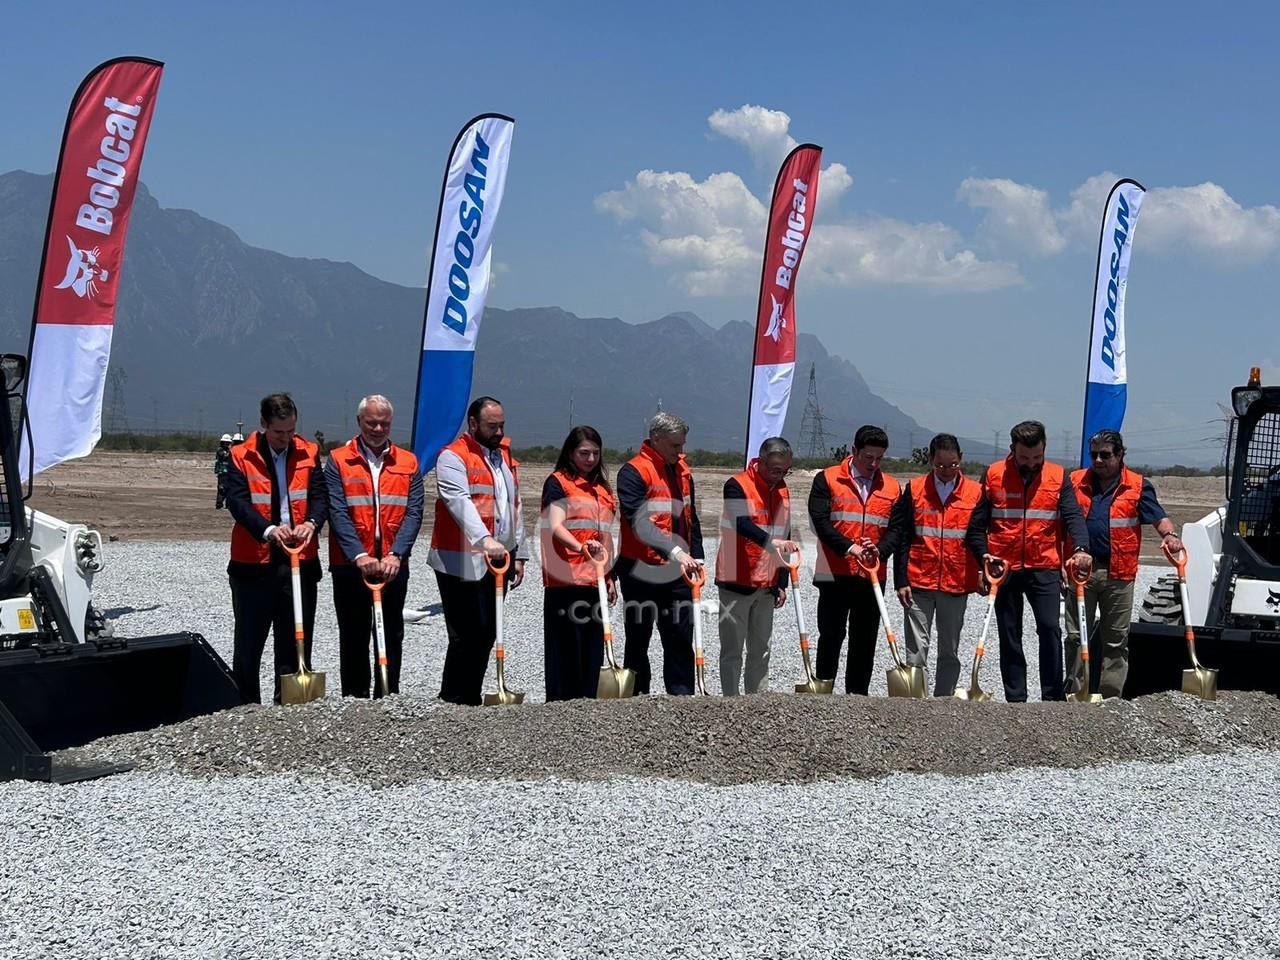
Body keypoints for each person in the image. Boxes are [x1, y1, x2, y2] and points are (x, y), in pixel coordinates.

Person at [965, 420, 1091, 702]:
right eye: (1024, 457)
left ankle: (1052, 696)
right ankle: (1016, 698)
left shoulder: (1059, 477)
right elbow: (976, 526)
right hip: (1004, 567)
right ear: (1012, 450)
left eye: (1037, 457)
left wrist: (1081, 548)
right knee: (1009, 633)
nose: (1031, 463)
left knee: (1049, 627)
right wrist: (982, 555)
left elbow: (1073, 517)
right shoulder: (994, 474)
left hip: (1043, 565)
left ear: (1045, 449)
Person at [224, 394, 327, 704]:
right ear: (263, 425)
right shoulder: (241, 455)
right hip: (253, 563)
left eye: (291, 431)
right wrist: (268, 530)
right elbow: (238, 502)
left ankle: (290, 706)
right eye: (278, 432)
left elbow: (320, 496)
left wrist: (311, 523)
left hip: (300, 560)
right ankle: (245, 707)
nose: (285, 438)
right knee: (249, 643)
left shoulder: (309, 452)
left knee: (295, 637)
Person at [1063, 430, 1182, 698]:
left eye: (1105, 455)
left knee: (1115, 639)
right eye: (1094, 455)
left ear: (1120, 455)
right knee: (1075, 637)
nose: (1098, 460)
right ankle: (1075, 695)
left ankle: (1110, 698)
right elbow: (1061, 524)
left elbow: (1159, 518)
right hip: (1080, 571)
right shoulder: (1074, 482)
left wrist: (1171, 536)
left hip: (1119, 573)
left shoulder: (1138, 486)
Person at [429, 396, 529, 705]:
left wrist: (519, 552)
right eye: (491, 426)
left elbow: (514, 505)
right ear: (473, 424)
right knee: (465, 633)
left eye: (501, 425)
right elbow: (459, 502)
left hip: (499, 558)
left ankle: (470, 694)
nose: (499, 432)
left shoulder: (503, 457)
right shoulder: (452, 457)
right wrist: (485, 539)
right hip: (460, 559)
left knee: (486, 632)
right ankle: (454, 697)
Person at [326, 395, 424, 698]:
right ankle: (355, 700)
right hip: (351, 565)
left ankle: (388, 695)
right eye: (371, 422)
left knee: (391, 633)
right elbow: (338, 511)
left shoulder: (408, 462)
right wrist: (359, 555)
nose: (378, 428)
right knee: (354, 635)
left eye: (384, 422)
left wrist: (397, 554)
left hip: (393, 566)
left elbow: (414, 511)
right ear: (359, 422)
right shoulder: (338, 460)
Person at [616, 412, 704, 696]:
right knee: (638, 638)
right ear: (656, 439)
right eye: (675, 446)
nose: (681, 452)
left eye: (682, 446)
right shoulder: (633, 472)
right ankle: (636, 697)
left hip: (677, 570)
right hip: (640, 569)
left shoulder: (682, 470)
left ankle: (681, 699)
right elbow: (639, 521)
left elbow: (691, 518)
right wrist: (675, 550)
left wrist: (697, 555)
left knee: (679, 636)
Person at [809, 425, 901, 694]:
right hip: (834, 571)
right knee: (831, 636)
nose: (873, 464)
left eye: (879, 458)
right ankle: (824, 691)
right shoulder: (826, 479)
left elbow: (897, 530)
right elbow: (821, 523)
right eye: (868, 457)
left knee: (864, 640)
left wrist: (880, 551)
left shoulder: (893, 487)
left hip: (871, 574)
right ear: (854, 451)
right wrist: (850, 548)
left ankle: (857, 697)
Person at [889, 433, 980, 697]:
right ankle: (916, 702)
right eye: (940, 465)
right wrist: (901, 580)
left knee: (949, 649)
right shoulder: (915, 489)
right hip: (919, 581)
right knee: (916, 648)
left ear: (960, 459)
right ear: (930, 459)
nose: (947, 471)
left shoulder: (975, 493)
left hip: (955, 581)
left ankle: (944, 701)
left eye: (952, 465)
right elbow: (903, 537)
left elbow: (977, 536)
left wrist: (981, 571)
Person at [714, 437, 800, 696]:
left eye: (785, 471)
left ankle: (757, 701)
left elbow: (784, 534)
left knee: (761, 647)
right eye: (775, 470)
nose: (780, 476)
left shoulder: (783, 490)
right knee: (732, 648)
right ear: (760, 462)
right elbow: (740, 522)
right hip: (736, 578)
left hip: (767, 582)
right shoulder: (736, 485)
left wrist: (782, 581)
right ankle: (730, 699)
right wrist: (769, 542)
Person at [540, 425, 617, 701]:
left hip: (594, 580)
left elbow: (606, 536)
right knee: (565, 650)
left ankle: (587, 705)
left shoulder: (602, 489)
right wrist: (580, 547)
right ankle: (561, 707)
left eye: (595, 453)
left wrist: (609, 577)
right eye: (584, 453)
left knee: (592, 649)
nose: (590, 459)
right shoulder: (558, 483)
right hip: (566, 579)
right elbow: (556, 526)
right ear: (570, 453)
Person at [213, 433, 232, 509]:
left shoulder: (228, 450)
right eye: (225, 442)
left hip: (229, 472)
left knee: (229, 489)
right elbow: (224, 456)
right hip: (222, 472)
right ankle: (219, 504)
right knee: (222, 489)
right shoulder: (220, 450)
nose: (227, 444)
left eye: (228, 442)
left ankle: (228, 505)